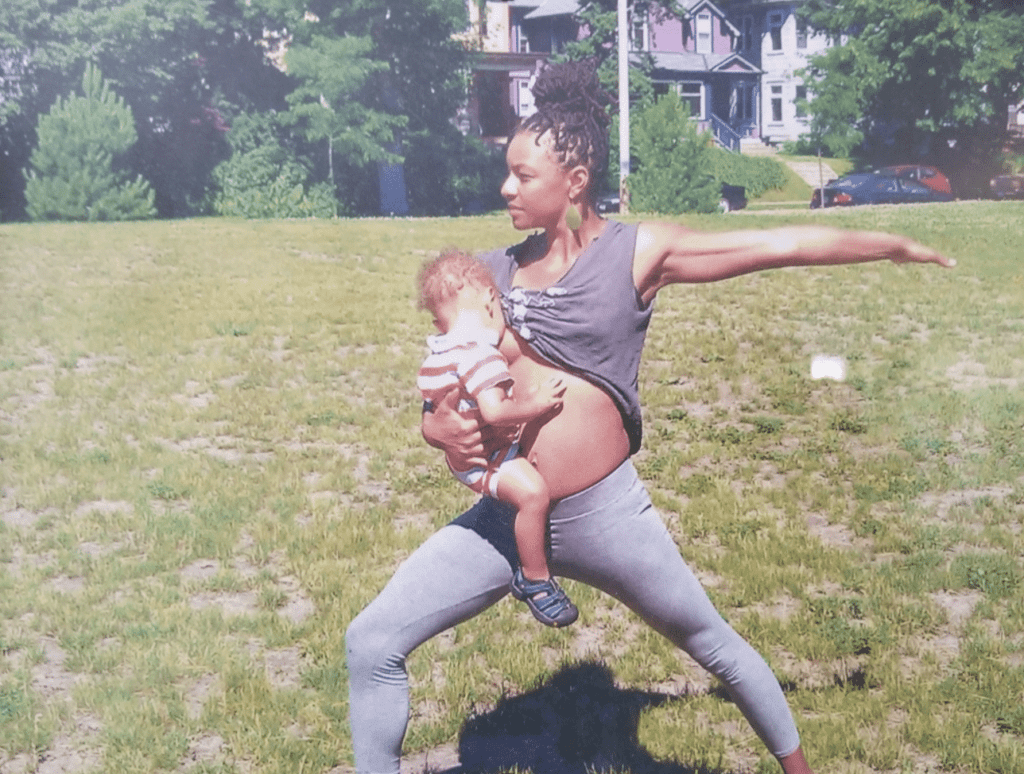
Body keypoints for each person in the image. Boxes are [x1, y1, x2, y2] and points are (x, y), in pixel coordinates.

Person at [346, 60, 954, 774]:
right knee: (371, 640)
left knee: (712, 641)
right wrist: (431, 423)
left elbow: (780, 246)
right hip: (509, 513)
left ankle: (799, 770)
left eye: (523, 175)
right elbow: (443, 380)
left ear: (575, 181)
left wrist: (890, 246)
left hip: (606, 517)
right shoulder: (490, 274)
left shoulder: (637, 255)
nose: (505, 188)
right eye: (506, 173)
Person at [415, 249, 577, 627]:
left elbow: (436, 404)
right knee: (533, 495)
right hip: (489, 461)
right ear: (491, 300)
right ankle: (535, 579)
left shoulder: (440, 353)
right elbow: (495, 413)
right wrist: (537, 404)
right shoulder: (479, 356)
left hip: (468, 459)